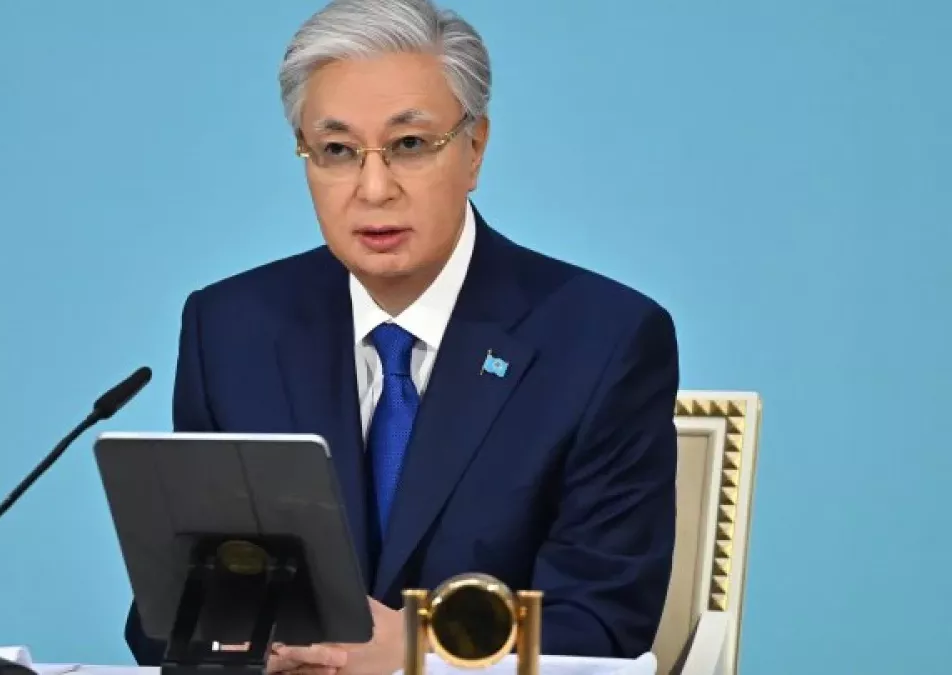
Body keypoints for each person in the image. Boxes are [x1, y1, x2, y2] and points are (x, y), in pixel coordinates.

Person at [125, 0, 679, 672]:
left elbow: (602, 621)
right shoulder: (231, 329)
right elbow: (169, 611)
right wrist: (249, 641)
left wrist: (419, 648)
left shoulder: (603, 341)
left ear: (475, 148)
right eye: (337, 151)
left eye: (410, 145)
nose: (373, 188)